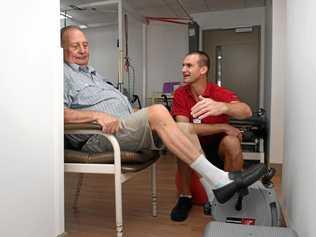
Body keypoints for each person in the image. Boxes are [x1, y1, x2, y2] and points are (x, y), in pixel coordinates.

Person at [61, 25, 266, 208]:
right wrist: (97, 115)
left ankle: (215, 187)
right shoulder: (60, 74)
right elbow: (56, 114)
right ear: (62, 49)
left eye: (85, 45)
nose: (82, 50)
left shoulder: (93, 74)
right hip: (100, 136)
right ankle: (216, 181)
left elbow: (245, 110)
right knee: (159, 110)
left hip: (123, 127)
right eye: (75, 46)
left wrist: (222, 108)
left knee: (183, 129)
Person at [170, 51, 252, 221]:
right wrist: (221, 125)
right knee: (182, 139)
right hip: (194, 146)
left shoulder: (217, 92)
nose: (184, 69)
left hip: (218, 146)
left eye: (189, 65)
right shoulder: (180, 94)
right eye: (183, 65)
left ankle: (231, 195)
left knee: (232, 142)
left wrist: (224, 107)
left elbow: (246, 111)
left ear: (203, 70)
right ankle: (185, 198)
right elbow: (183, 127)